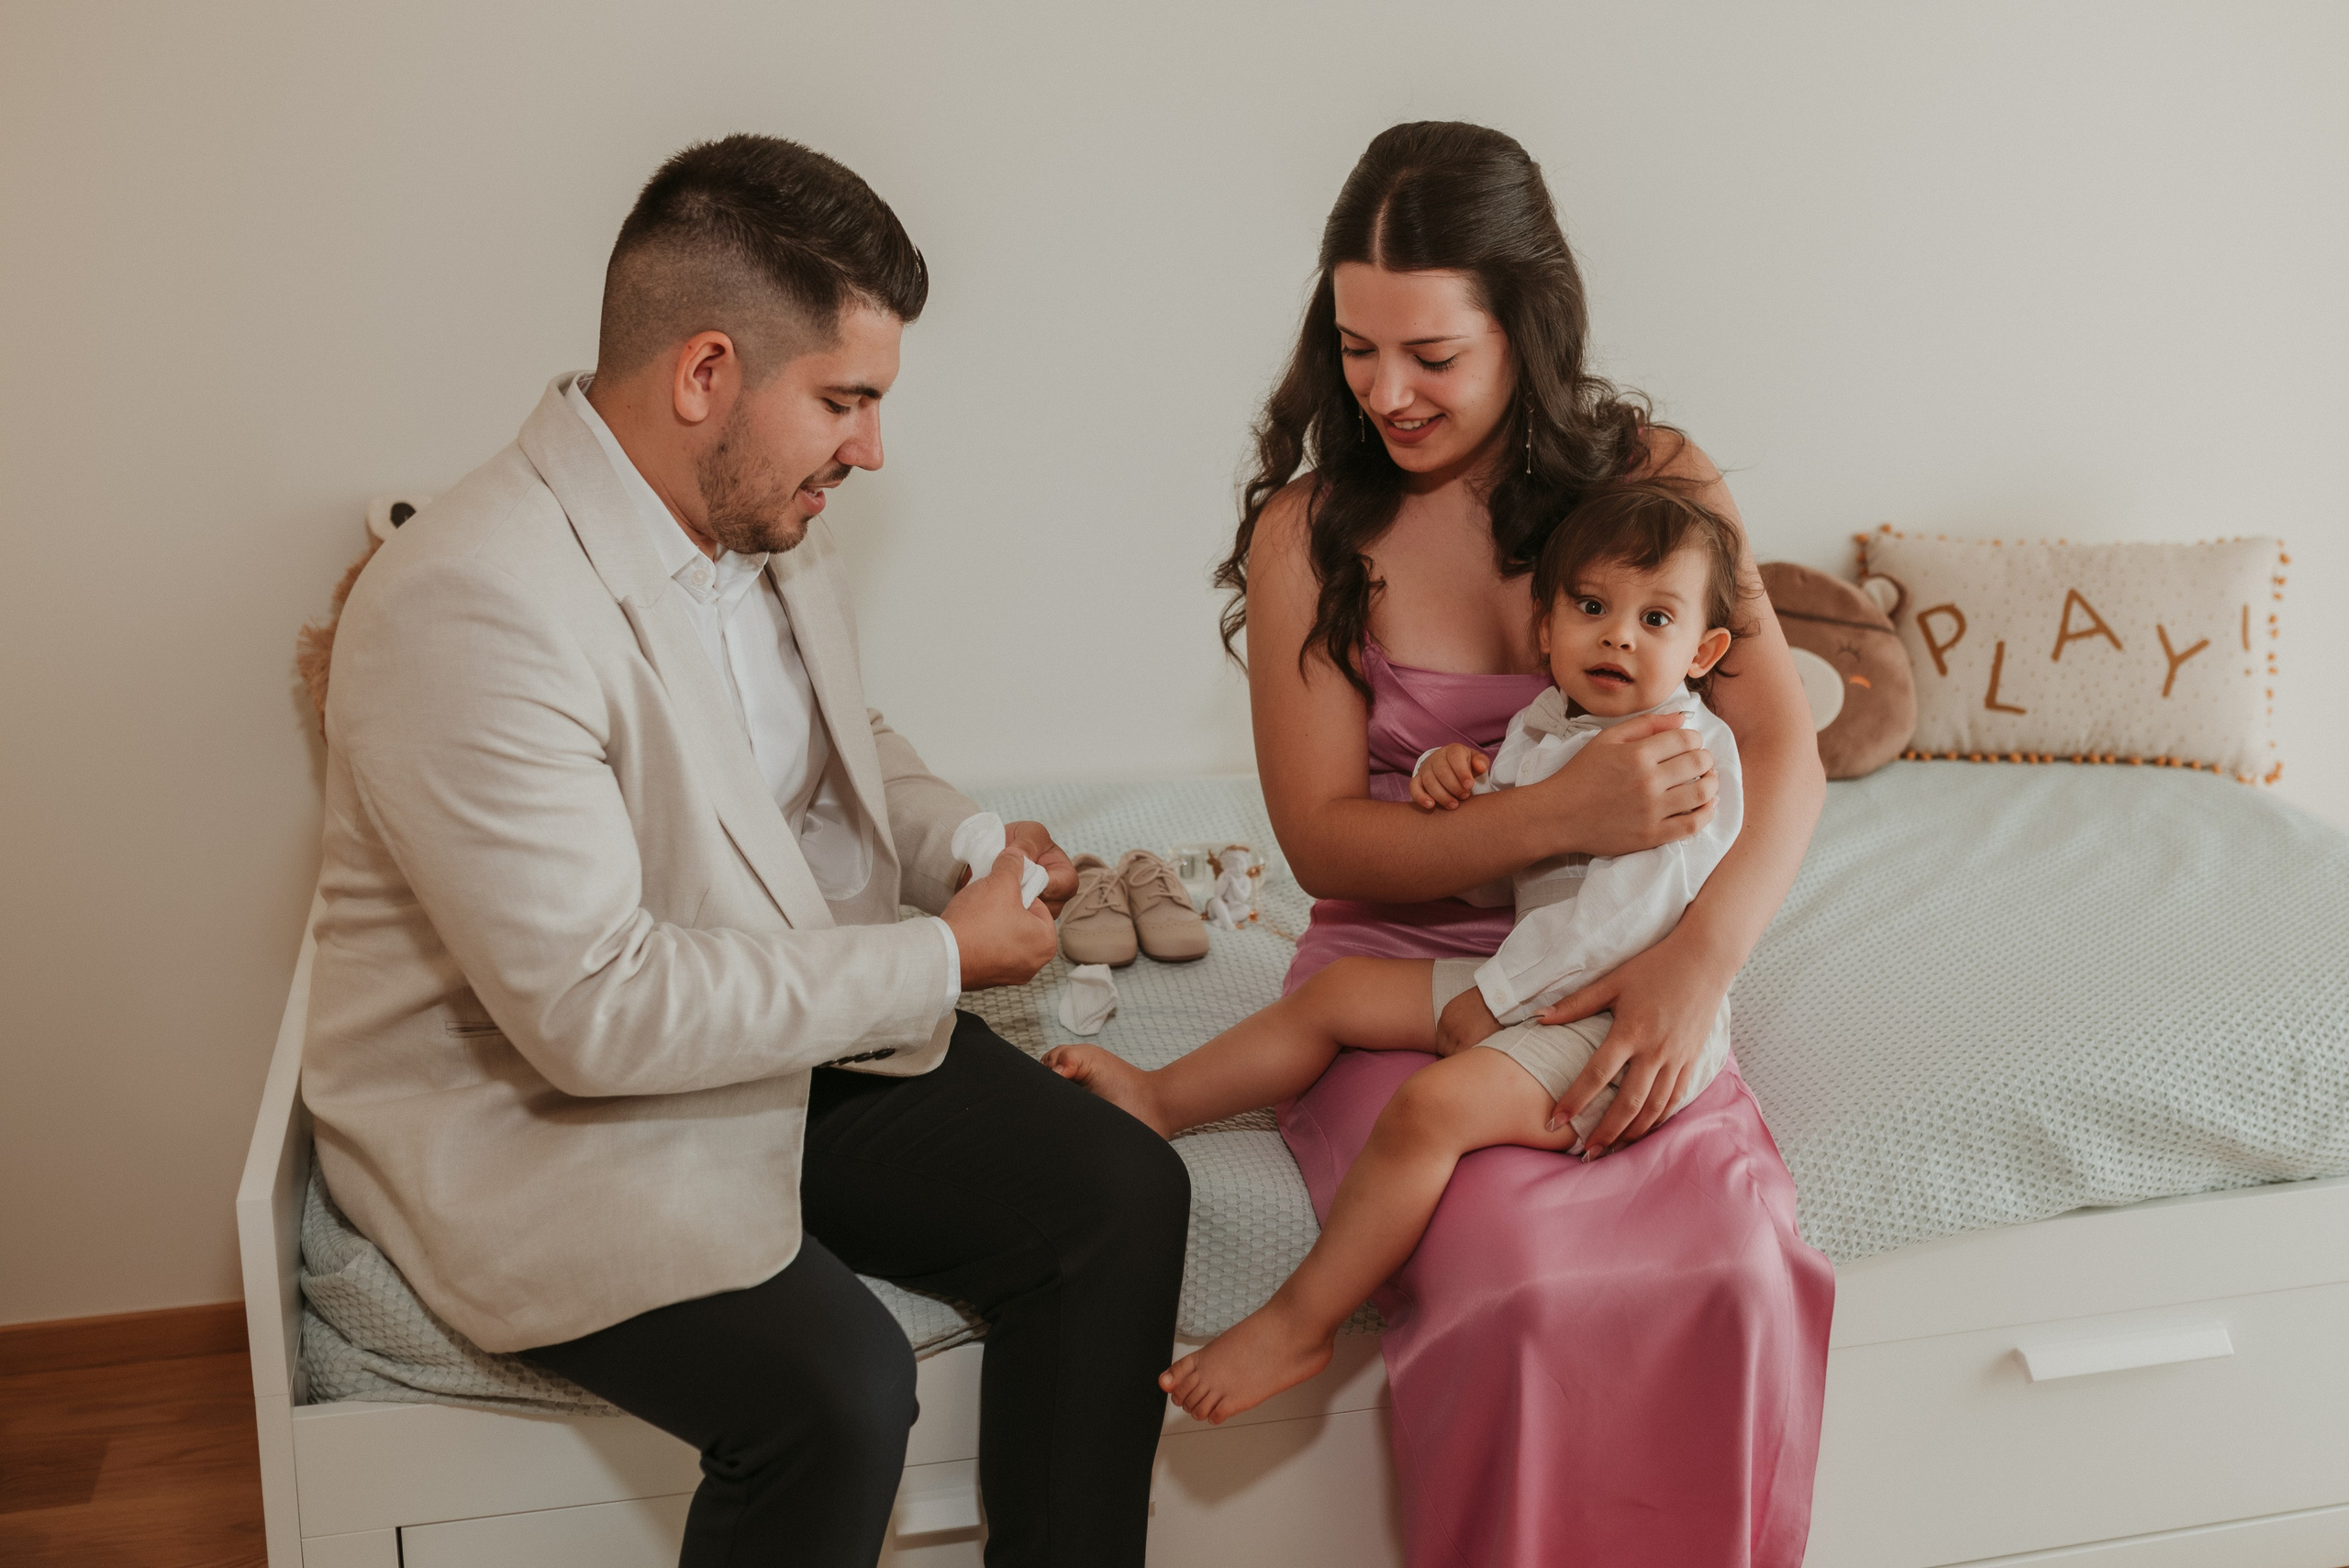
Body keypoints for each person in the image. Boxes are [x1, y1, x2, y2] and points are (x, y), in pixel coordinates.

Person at [300, 135, 1189, 1568]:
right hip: (546, 1106)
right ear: (706, 374)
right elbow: (592, 1012)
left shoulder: (767, 516)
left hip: (772, 1025)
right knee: (836, 1393)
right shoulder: (468, 603)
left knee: (1121, 1195)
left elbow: (843, 743)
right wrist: (940, 957)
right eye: (845, 400)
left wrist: (965, 842)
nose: (873, 446)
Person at [1207, 121, 1836, 1567]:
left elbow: (1785, 741)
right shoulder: (1314, 530)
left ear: (1526, 326)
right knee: (1534, 1279)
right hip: (1418, 974)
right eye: (1358, 348)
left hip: (1634, 950)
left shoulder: (1658, 481)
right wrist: (1558, 814)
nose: (1385, 392)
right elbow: (1324, 843)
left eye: (1433, 354)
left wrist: (1698, 959)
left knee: (1734, 1264)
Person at [1044, 483, 1751, 1425]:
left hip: (1614, 1023)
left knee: (1427, 1112)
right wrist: (1444, 781)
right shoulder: (1549, 726)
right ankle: (1160, 1096)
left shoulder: (1680, 752)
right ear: (1545, 626)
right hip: (1542, 979)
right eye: (1591, 607)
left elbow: (1618, 923)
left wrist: (1490, 1000)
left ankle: (1302, 1317)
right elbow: (1495, 879)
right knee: (1340, 993)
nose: (1617, 636)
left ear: (1701, 653)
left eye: (1653, 617)